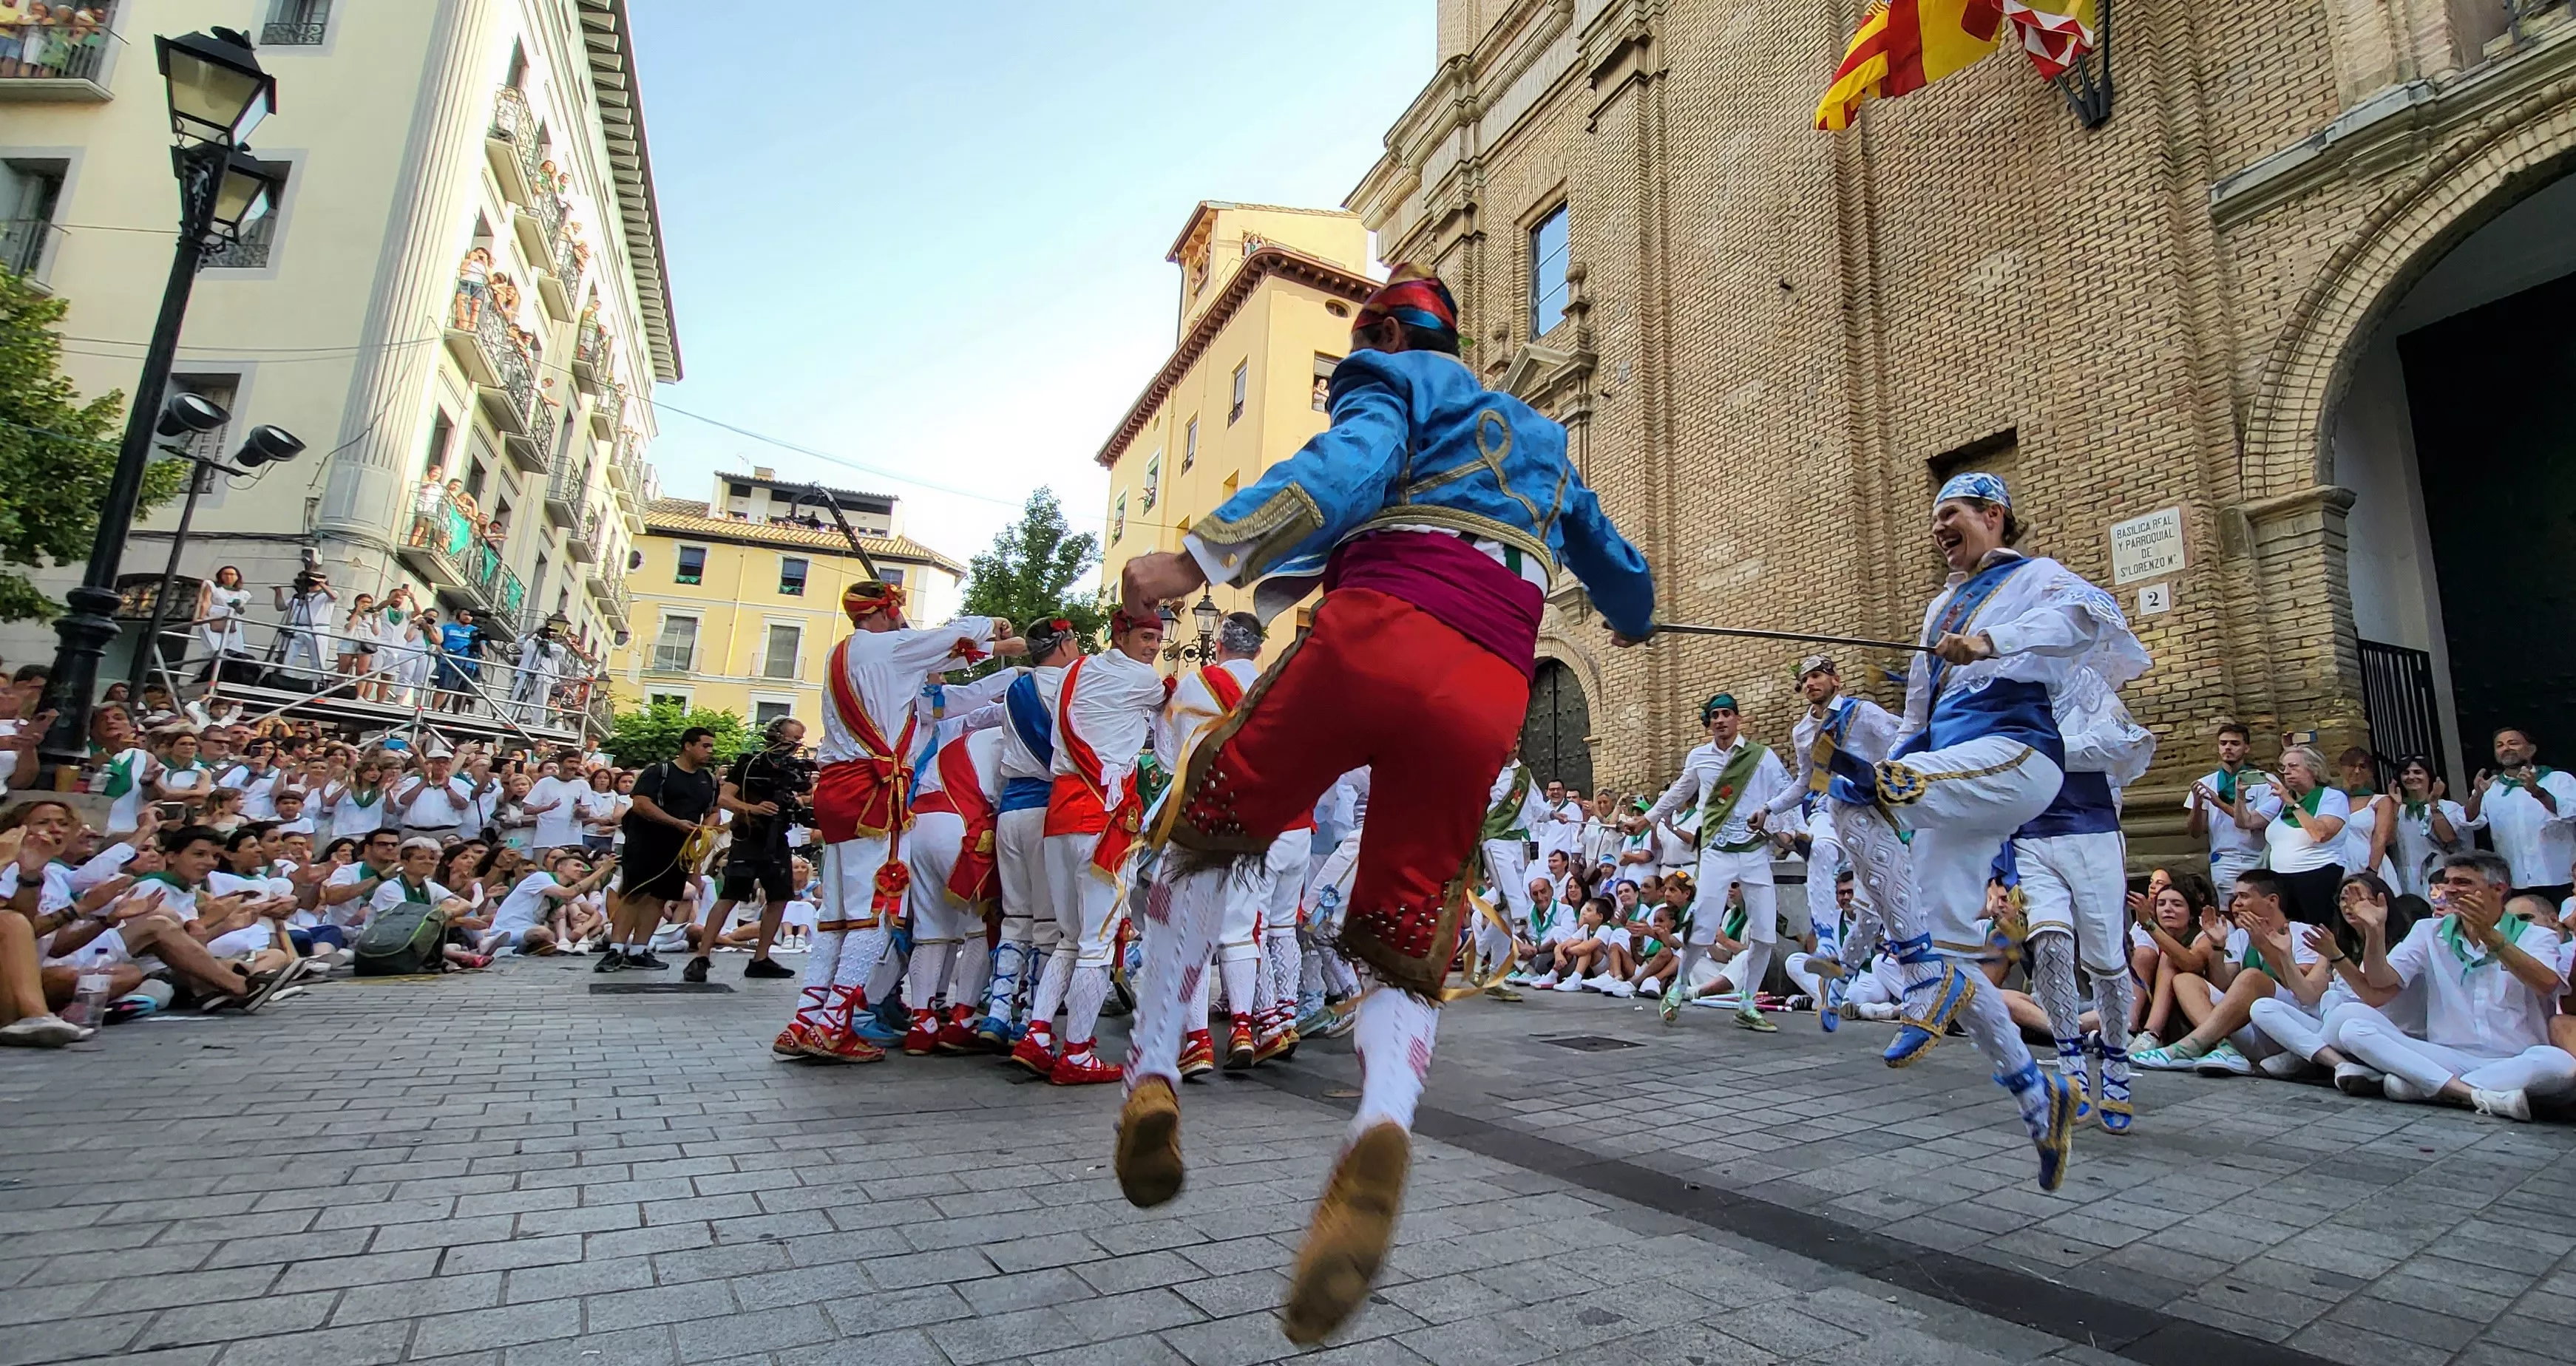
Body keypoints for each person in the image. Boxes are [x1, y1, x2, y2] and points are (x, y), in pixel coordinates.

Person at [1110, 264, 1655, 1344]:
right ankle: (1380, 1123)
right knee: (1409, 922)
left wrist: (1199, 556)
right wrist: (1632, 621)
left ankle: (1154, 1069)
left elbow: (1346, 469)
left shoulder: (1390, 378)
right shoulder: (1546, 443)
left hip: (1377, 629)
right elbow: (1626, 581)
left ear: (1386, 339)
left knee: (1200, 831)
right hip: (1491, 683)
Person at [1828, 471, 2146, 1194]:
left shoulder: (2038, 577)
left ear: (1992, 517)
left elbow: (2085, 622)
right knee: (1949, 948)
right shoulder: (1938, 608)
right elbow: (1916, 719)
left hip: (2018, 754)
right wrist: (1896, 761)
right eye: (1934, 517)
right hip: (1957, 769)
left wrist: (1992, 640)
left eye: (1952, 513)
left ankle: (1921, 976)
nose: (1939, 527)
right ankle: (2041, 1096)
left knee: (1866, 796)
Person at [772, 583, 1011, 1062]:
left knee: (836, 915)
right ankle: (835, 1024)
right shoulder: (892, 648)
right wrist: (993, 629)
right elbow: (951, 640)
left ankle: (808, 1017)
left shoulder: (842, 654)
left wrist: (990, 656)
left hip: (838, 789)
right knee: (877, 909)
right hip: (873, 793)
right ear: (888, 611)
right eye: (898, 611)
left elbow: (945, 679)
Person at [1012, 606, 1162, 1085]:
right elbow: (1178, 711)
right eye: (1147, 636)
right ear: (1123, 635)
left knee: (1069, 938)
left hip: (1061, 811)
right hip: (1103, 817)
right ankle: (1075, 1052)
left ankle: (1037, 1037)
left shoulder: (1075, 671)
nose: (1155, 646)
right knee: (1096, 944)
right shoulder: (1142, 680)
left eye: (1158, 637)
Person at [2338, 851, 2576, 1120]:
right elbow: (2381, 982)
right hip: (2447, 1055)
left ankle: (2419, 1084)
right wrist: (2374, 932)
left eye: (2463, 883)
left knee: (2560, 1064)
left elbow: (2546, 984)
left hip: (2515, 1060)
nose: (2450, 890)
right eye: (2447, 882)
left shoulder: (2537, 936)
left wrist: (2490, 936)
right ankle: (2469, 1094)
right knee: (2353, 1029)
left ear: (2498, 889)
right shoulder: (2429, 931)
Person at [1758, 654, 1903, 1028]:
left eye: (1817, 676)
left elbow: (1902, 739)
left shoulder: (1862, 712)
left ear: (1835, 680)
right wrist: (1769, 808)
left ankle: (1836, 991)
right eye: (1805, 680)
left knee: (1870, 912)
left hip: (1872, 809)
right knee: (1821, 850)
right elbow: (1805, 781)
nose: (1810, 684)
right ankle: (1826, 940)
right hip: (1829, 804)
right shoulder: (1802, 731)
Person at [1644, 693, 1794, 1032]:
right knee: (1703, 926)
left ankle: (1747, 1004)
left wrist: (1791, 832)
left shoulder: (1762, 757)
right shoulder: (1699, 757)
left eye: (1727, 714)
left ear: (1738, 719)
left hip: (1754, 850)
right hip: (1716, 850)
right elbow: (1679, 792)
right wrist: (1649, 819)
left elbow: (1785, 792)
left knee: (1766, 933)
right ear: (1708, 722)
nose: (1721, 720)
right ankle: (1679, 988)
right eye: (1715, 715)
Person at [977, 617, 1082, 1048]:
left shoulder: (1016, 687)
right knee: (1047, 922)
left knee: (1015, 917)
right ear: (1064, 644)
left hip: (1010, 811)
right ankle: (1030, 1018)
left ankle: (999, 1011)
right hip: (1045, 806)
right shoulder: (1068, 689)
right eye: (1074, 641)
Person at [896, 724, 1006, 1054]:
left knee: (930, 930)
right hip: (962, 822)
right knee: (981, 926)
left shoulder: (968, 741)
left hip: (921, 825)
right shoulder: (1007, 736)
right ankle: (962, 1019)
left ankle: (922, 1022)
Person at [686, 718, 807, 983]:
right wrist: (753, 808)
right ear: (776, 735)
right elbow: (723, 796)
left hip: (778, 839)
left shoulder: (795, 768)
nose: (797, 745)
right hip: (749, 836)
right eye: (793, 738)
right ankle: (702, 956)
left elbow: (806, 795)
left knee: (779, 897)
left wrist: (799, 801)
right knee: (730, 895)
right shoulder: (749, 763)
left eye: (800, 740)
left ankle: (760, 958)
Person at [603, 729, 722, 972]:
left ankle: (639, 950)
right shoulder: (660, 772)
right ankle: (615, 949)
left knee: (659, 898)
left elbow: (713, 811)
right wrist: (675, 822)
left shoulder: (708, 780)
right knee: (635, 894)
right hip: (646, 841)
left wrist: (704, 829)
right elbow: (641, 803)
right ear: (687, 746)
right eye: (705, 746)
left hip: (679, 848)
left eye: (711, 747)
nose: (709, 751)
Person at [2462, 727, 2576, 902]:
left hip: (2560, 878)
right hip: (2515, 882)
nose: (2506, 748)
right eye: (2500, 745)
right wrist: (2478, 795)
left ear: (2531, 750)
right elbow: (2471, 821)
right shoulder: (2491, 788)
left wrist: (2537, 791)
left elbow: (2570, 812)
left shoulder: (2559, 779)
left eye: (2513, 743)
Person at [2257, 745, 2348, 925]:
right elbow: (2245, 822)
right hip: (2281, 879)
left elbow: (2320, 834)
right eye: (2283, 768)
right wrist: (2240, 795)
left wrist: (2291, 802)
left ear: (2313, 769)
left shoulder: (2333, 797)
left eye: (2293, 766)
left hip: (2316, 876)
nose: (2286, 772)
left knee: (2316, 932)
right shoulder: (2282, 800)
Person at [2184, 722, 2277, 890]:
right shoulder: (2206, 783)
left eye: (2235, 744)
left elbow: (2255, 822)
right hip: (2224, 860)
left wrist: (2217, 802)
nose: (2228, 748)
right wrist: (2198, 805)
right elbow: (2195, 832)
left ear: (2246, 748)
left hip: (2258, 858)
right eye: (2223, 743)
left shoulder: (2265, 781)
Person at [2387, 757, 2467, 899]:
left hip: (2439, 874)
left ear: (2429, 776)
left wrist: (2434, 806)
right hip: (2406, 877)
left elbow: (2448, 838)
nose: (2411, 777)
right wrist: (2394, 807)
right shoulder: (2395, 809)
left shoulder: (2448, 807)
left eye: (2418, 772)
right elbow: (2389, 841)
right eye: (2406, 773)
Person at [272, 565, 337, 680]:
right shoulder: (299, 596)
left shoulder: (325, 596)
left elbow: (334, 596)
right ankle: (285, 679)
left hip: (318, 629)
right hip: (296, 628)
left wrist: (321, 583)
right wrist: (278, 593)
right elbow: (281, 607)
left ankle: (317, 681)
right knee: (288, 657)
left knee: (317, 658)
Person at [195, 566, 250, 680]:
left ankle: (228, 676)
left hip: (232, 621)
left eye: (232, 574)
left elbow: (241, 611)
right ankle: (206, 675)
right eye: (226, 574)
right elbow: (206, 601)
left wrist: (237, 606)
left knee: (234, 651)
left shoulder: (243, 593)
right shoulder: (212, 586)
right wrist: (200, 617)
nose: (229, 577)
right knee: (214, 649)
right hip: (213, 617)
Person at [435, 608, 485, 713]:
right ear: (459, 615)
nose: (468, 617)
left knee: (462, 691)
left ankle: (456, 712)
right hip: (449, 662)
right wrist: (443, 651)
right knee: (443, 688)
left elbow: (483, 646)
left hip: (469, 663)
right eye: (465, 614)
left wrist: (483, 655)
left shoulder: (476, 631)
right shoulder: (447, 627)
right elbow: (438, 643)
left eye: (470, 615)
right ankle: (435, 710)